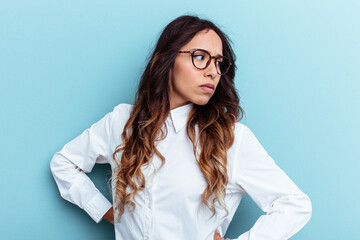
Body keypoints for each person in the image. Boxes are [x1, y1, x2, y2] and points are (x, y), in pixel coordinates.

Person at [50, 15, 312, 240]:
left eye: (219, 63)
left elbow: (294, 204)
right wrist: (108, 213)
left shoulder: (231, 139)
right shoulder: (122, 122)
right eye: (200, 57)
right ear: (167, 59)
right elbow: (63, 164)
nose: (212, 72)